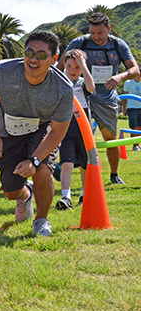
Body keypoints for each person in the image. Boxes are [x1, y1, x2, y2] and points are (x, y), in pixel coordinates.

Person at [0, 30, 73, 237]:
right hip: (9, 130)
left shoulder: (63, 88)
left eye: (41, 55)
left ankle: (41, 220)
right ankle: (26, 194)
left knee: (41, 169)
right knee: (10, 190)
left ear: (54, 59)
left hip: (43, 128)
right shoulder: (0, 71)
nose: (33, 59)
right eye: (28, 52)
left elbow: (58, 131)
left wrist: (34, 160)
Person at [57, 12, 139, 184]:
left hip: (107, 98)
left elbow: (136, 70)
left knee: (110, 138)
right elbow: (59, 68)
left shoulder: (118, 44)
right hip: (81, 97)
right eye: (92, 33)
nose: (96, 37)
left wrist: (120, 77)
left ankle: (114, 175)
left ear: (108, 29)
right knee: (74, 135)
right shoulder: (80, 42)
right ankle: (74, 173)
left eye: (100, 33)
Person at [56, 49, 95, 210]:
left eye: (77, 67)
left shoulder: (82, 83)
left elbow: (91, 87)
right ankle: (66, 197)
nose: (73, 70)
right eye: (69, 66)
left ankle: (84, 195)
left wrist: (83, 65)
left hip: (84, 130)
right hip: (65, 130)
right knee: (66, 164)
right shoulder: (60, 82)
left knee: (85, 166)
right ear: (64, 65)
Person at [121, 74, 141, 152]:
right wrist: (124, 108)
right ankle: (135, 145)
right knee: (134, 127)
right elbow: (125, 96)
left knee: (140, 127)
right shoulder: (128, 83)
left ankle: (138, 144)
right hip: (132, 108)